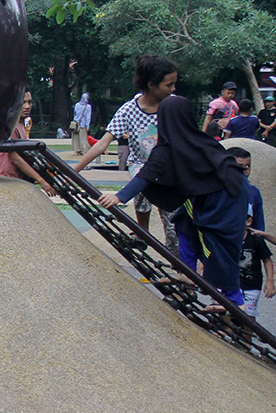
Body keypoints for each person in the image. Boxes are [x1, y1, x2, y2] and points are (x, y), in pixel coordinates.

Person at [98, 95, 249, 306]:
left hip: (224, 198)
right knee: (184, 224)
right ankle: (187, 273)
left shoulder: (170, 145)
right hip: (221, 192)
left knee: (216, 244)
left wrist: (119, 196)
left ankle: (232, 301)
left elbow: (146, 175)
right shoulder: (197, 138)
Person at [75, 55, 180, 250]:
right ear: (151, 85)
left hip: (168, 168)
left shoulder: (173, 106)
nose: (173, 89)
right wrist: (75, 171)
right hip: (141, 162)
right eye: (169, 85)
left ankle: (178, 261)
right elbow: (102, 144)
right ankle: (142, 231)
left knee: (172, 220)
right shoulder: (129, 110)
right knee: (141, 181)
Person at [0, 90, 56, 195]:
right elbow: (16, 159)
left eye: (29, 102)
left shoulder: (21, 124)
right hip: (8, 181)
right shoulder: (10, 126)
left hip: (18, 180)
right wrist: (40, 180)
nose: (27, 106)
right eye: (23, 102)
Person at [238, 207, 274, 317]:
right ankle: (222, 333)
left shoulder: (256, 240)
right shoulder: (228, 238)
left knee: (248, 316)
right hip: (231, 282)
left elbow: (267, 260)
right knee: (225, 311)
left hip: (251, 284)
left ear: (248, 221)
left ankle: (246, 334)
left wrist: (270, 281)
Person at [225, 146, 265, 232]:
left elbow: (258, 224)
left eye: (247, 166)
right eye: (240, 166)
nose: (245, 170)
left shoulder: (254, 192)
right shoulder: (219, 190)